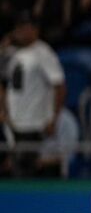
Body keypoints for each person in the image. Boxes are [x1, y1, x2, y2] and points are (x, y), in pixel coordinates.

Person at [0, 16, 66, 177]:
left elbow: (59, 85)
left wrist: (53, 118)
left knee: (27, 171)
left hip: (34, 123)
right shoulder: (12, 54)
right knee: (14, 169)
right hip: (13, 122)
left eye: (25, 27)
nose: (20, 31)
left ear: (35, 30)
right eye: (18, 28)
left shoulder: (43, 52)